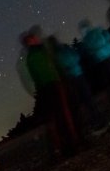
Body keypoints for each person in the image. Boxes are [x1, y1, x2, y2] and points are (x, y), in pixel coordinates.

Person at [16, 26, 77, 159]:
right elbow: (38, 74)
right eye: (32, 39)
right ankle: (69, 145)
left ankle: (70, 144)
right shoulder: (34, 55)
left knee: (62, 115)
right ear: (29, 42)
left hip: (52, 85)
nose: (35, 39)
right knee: (61, 116)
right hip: (50, 86)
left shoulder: (38, 53)